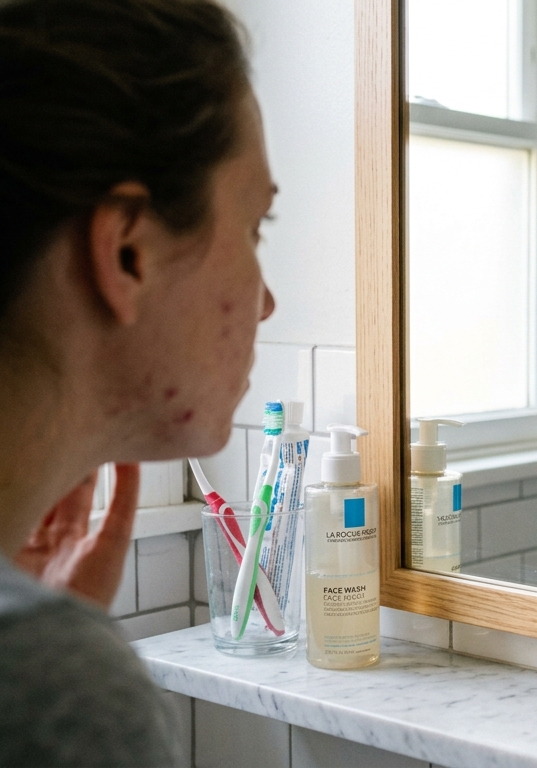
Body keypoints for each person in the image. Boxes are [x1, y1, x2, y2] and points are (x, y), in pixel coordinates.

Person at [0, 0, 276, 763]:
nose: (269, 301)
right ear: (129, 253)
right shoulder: (48, 676)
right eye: (256, 228)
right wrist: (51, 654)